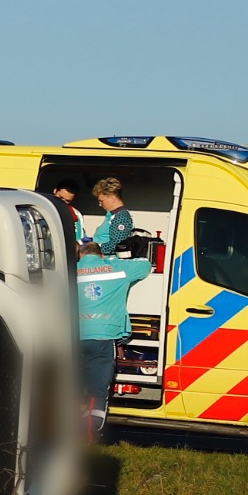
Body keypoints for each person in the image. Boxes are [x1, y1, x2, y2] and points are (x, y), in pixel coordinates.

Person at [77, 250, 153, 437]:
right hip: (104, 336)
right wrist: (115, 259)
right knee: (98, 389)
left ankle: (69, 428)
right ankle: (92, 431)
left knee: (73, 384)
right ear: (100, 255)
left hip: (74, 335)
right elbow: (145, 265)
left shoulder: (72, 268)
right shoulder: (115, 268)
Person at [84, 176, 134, 259]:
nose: (100, 204)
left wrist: (93, 248)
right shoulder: (111, 215)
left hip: (110, 263)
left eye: (101, 201)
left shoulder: (121, 217)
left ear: (112, 197)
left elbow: (118, 244)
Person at [44, 177, 85, 257]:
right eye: (60, 197)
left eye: (67, 200)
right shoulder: (42, 209)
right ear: (55, 191)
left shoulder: (76, 215)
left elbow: (80, 239)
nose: (62, 202)